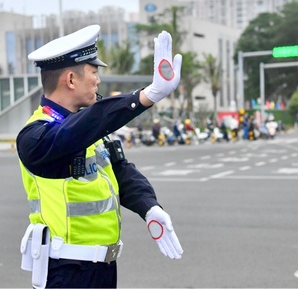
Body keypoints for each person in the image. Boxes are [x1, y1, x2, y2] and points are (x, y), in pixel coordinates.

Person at [16, 25, 183, 289]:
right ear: (71, 79)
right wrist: (144, 97)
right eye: (94, 72)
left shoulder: (87, 130)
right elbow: (76, 131)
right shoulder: (36, 136)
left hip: (103, 269)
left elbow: (120, 170)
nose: (98, 80)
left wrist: (149, 207)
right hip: (67, 271)